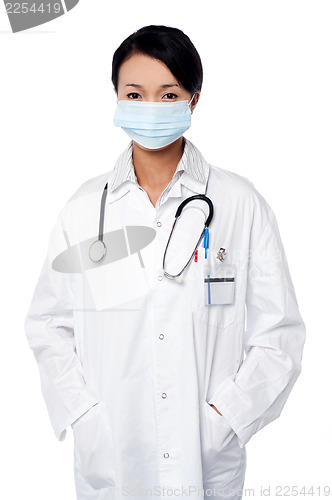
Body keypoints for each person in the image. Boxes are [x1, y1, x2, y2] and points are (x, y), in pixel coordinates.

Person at [24, 25, 306, 500]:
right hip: (112, 457)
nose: (149, 107)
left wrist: (228, 418)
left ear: (193, 100)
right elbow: (48, 324)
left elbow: (279, 335)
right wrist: (85, 415)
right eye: (135, 93)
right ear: (115, 98)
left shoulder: (239, 203)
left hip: (205, 457)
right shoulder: (86, 208)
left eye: (167, 93)